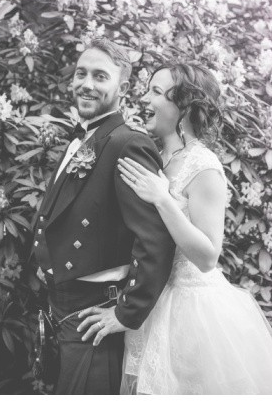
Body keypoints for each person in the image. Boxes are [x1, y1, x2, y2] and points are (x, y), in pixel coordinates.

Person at [115, 63, 272, 394]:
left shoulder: (204, 166)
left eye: (155, 91)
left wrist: (163, 200)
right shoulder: (153, 157)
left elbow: (208, 255)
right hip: (149, 302)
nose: (144, 98)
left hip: (192, 312)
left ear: (184, 107)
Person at [30, 38, 175, 394]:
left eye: (100, 76)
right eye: (81, 74)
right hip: (60, 307)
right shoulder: (81, 139)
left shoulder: (128, 143)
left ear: (122, 88)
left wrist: (125, 313)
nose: (86, 84)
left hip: (93, 318)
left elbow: (155, 240)